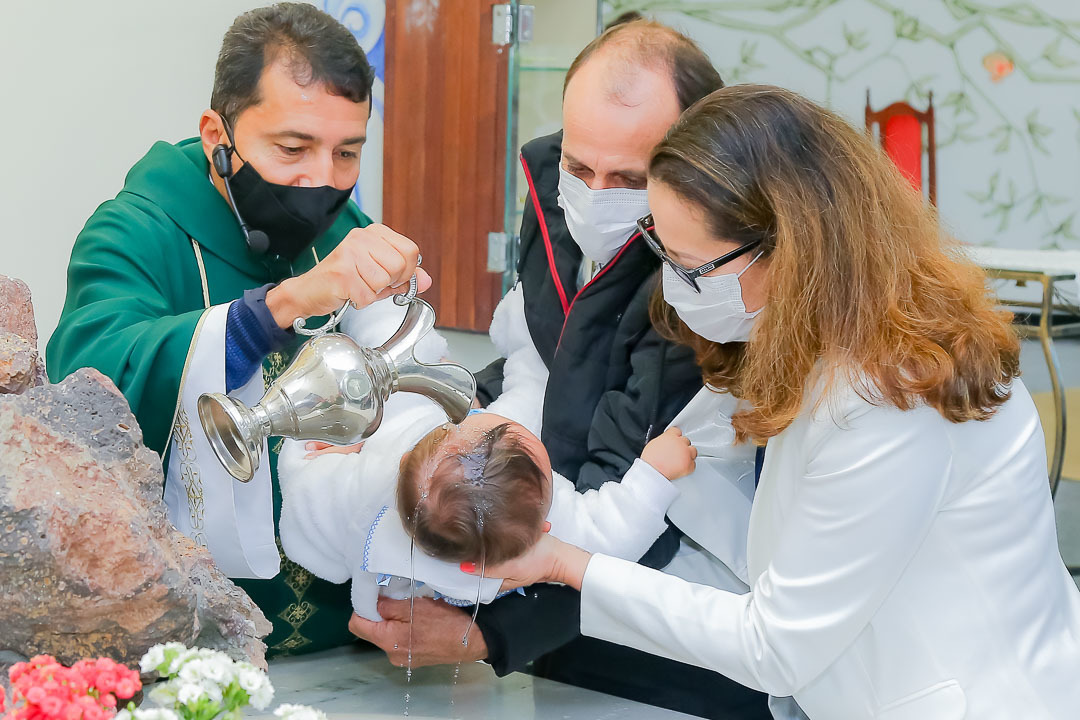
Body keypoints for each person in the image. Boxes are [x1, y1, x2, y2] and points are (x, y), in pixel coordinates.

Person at [476, 85, 1080, 719]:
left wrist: (571, 564)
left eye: (691, 267)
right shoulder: (808, 339)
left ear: (790, 247)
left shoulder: (887, 397)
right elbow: (692, 471)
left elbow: (773, 644)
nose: (675, 290)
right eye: (664, 255)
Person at [347, 17, 771, 720]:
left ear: (696, 164)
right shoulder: (550, 198)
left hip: (685, 628)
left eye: (630, 178)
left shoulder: (713, 283)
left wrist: (498, 632)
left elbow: (646, 496)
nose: (597, 195)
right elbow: (532, 368)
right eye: (581, 166)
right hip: (559, 616)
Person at [46, 3, 427, 655]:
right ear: (217, 137)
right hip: (180, 639)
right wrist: (275, 309)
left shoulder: (343, 229)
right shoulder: (133, 231)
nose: (323, 182)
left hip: (348, 637)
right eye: (292, 148)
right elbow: (82, 391)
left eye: (347, 152)